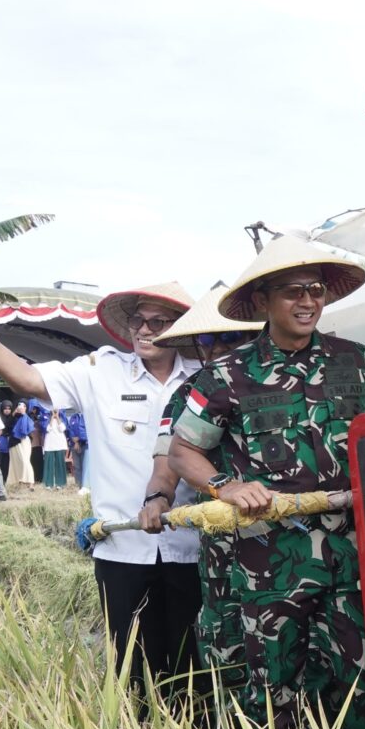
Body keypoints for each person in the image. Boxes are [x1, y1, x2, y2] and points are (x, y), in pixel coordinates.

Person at [168, 238, 365, 729]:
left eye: (315, 290)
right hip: (266, 565)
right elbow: (182, 451)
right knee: (268, 685)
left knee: (354, 679)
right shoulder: (225, 376)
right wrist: (225, 485)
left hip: (350, 558)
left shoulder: (354, 362)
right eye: (293, 292)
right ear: (264, 301)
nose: (307, 301)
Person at [0, 272, 203, 701]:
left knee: (190, 660)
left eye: (160, 321)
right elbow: (28, 381)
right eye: (140, 320)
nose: (146, 330)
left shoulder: (205, 377)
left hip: (191, 544)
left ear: (181, 328)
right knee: (129, 662)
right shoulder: (101, 371)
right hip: (121, 545)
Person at [139, 286, 259, 705]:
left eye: (230, 338)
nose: (217, 350)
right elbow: (168, 461)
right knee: (230, 646)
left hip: (306, 537)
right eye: (206, 342)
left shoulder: (290, 379)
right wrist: (156, 498)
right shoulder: (189, 393)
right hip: (231, 546)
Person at [8, 400, 37, 493]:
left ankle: (31, 482)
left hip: (23, 441)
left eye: (23, 406)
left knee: (25, 461)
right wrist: (13, 414)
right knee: (16, 462)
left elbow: (27, 430)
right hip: (13, 441)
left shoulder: (28, 417)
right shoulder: (13, 417)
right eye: (19, 405)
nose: (21, 407)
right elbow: (7, 427)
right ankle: (18, 482)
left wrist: (24, 414)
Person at [42, 410, 69, 489]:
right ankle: (48, 484)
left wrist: (57, 418)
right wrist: (51, 418)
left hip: (59, 443)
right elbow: (46, 429)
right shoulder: (45, 416)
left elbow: (63, 429)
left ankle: (60, 483)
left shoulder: (62, 416)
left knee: (60, 463)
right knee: (48, 464)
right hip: (49, 443)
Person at [0, 400, 13, 484]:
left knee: (6, 464)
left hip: (8, 442)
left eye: (9, 409)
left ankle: (4, 481)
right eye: (5, 408)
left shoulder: (13, 418)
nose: (7, 410)